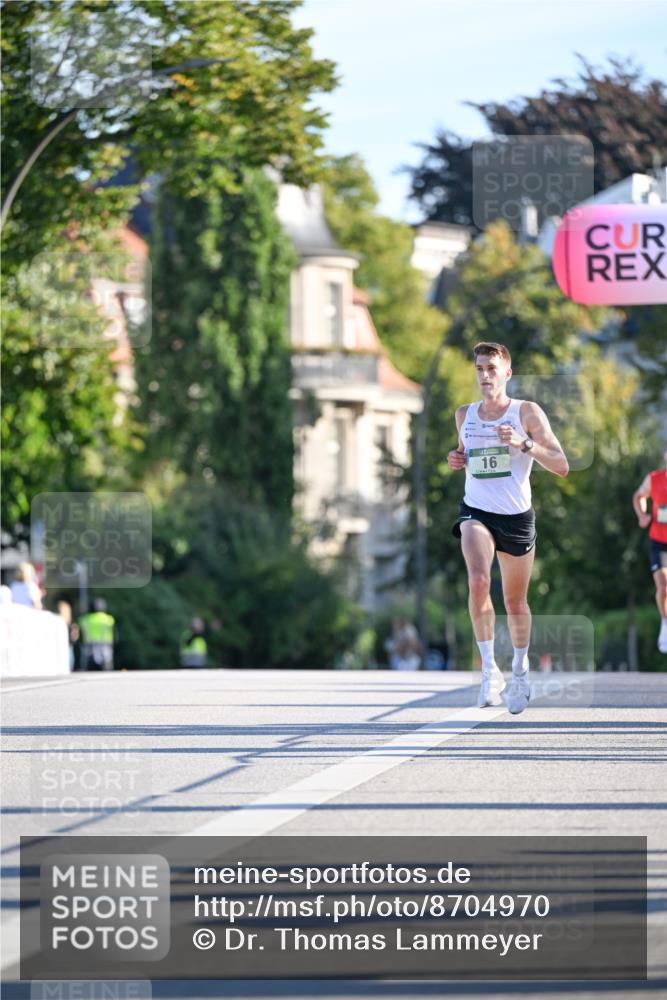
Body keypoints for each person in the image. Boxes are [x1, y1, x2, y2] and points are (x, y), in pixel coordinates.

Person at [447, 342, 569, 714]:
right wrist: (456, 458)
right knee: (479, 580)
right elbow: (465, 454)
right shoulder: (464, 414)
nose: (485, 375)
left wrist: (524, 443)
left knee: (515, 602)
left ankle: (520, 670)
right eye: (480, 368)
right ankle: (488, 671)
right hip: (476, 511)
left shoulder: (526, 412)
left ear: (507, 373)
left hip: (516, 517)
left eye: (492, 369)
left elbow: (562, 464)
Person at [632, 445, 667, 653]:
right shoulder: (654, 479)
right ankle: (665, 623)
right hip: (659, 541)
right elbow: (639, 496)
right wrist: (642, 515)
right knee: (663, 587)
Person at [79, 597, 116, 670]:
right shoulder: (109, 619)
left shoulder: (85, 620)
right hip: (105, 646)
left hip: (89, 646)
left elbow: (80, 634)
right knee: (106, 666)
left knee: (90, 667)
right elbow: (115, 634)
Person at [57, 600, 80, 670]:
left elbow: (75, 636)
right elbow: (75, 637)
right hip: (67, 646)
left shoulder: (70, 624)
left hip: (66, 647)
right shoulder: (70, 624)